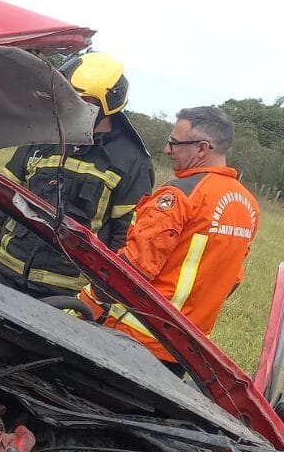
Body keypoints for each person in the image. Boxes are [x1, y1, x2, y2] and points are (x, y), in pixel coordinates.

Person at [80, 106, 259, 371]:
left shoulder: (178, 195)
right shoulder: (247, 205)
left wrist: (86, 300)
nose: (167, 150)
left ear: (202, 148)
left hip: (136, 340)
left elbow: (133, 267)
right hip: (189, 351)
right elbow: (232, 279)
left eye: (174, 143)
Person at [0, 52, 154, 298]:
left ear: (108, 105)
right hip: (0, 271)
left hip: (63, 293)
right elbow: (1, 196)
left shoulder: (131, 161)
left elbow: (124, 236)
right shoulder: (44, 134)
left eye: (82, 100)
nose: (70, 106)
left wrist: (103, 296)